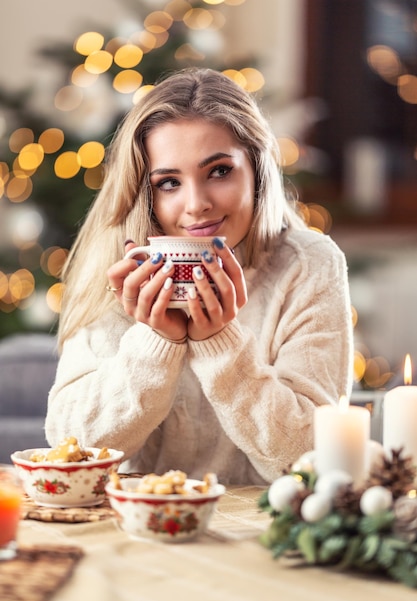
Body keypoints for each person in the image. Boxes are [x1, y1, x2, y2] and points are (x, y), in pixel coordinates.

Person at [45, 67, 353, 485]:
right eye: (169, 182)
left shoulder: (307, 265)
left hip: (263, 532)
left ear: (257, 170)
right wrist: (157, 341)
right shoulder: (119, 270)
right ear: (145, 193)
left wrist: (220, 346)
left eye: (219, 171)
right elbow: (71, 451)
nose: (196, 205)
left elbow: (313, 460)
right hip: (136, 530)